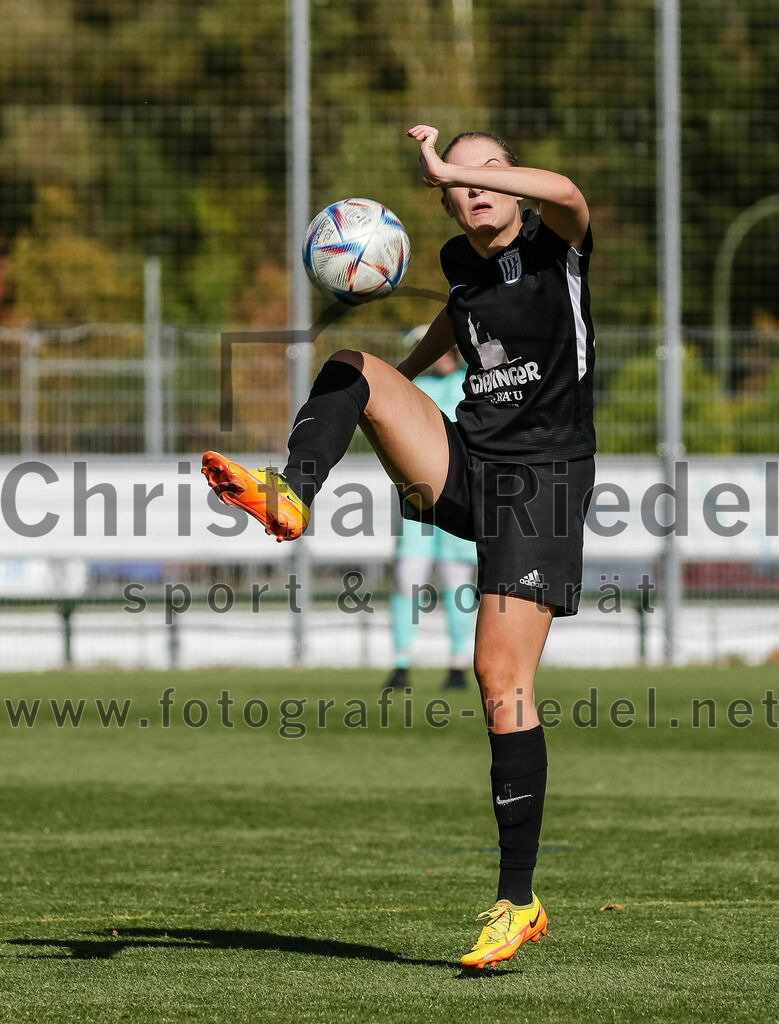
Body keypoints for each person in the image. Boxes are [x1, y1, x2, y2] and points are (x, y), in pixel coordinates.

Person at [202, 123, 596, 968]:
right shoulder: (458, 263)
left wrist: (452, 162)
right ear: (445, 204)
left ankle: (517, 900)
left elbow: (565, 190)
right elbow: (453, 329)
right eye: (462, 182)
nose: (479, 187)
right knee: (351, 362)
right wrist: (395, 388)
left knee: (500, 678)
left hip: (543, 484)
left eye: (492, 172)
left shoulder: (557, 241)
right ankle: (289, 495)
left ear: (514, 185)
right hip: (467, 464)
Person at [385, 329, 477, 692]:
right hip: (419, 500)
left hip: (460, 497)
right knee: (409, 581)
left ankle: (457, 665)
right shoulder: (416, 386)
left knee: (458, 586)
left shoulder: (472, 382)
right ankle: (401, 662)